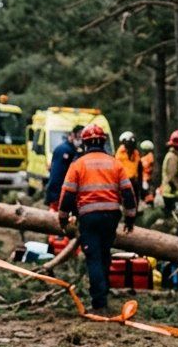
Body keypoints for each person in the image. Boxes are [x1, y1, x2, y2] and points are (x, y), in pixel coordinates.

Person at [57, 124, 137, 314]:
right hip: (111, 216)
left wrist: (62, 218)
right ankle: (104, 290)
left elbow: (67, 194)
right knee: (104, 253)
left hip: (89, 217)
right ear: (103, 142)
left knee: (93, 257)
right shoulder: (115, 163)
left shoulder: (78, 165)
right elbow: (128, 194)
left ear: (84, 144)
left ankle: (99, 303)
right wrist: (130, 220)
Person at [44, 124, 84, 211]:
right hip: (59, 194)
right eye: (79, 137)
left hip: (67, 194)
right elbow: (56, 175)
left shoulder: (74, 150)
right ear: (73, 135)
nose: (80, 140)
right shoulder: (63, 150)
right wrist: (55, 197)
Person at [115, 131, 143, 201]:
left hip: (134, 182)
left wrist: (140, 183)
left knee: (135, 200)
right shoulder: (120, 154)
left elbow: (139, 169)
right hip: (123, 182)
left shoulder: (136, 153)